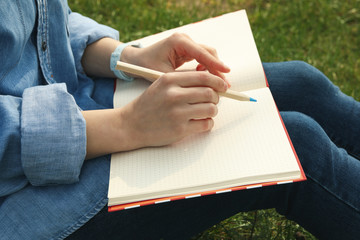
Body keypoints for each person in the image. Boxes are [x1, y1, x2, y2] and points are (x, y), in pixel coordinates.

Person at [0, 1, 359, 239]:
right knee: (296, 145)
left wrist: (129, 58)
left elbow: (45, 26)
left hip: (80, 98)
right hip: (25, 194)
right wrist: (129, 126)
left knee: (302, 83)